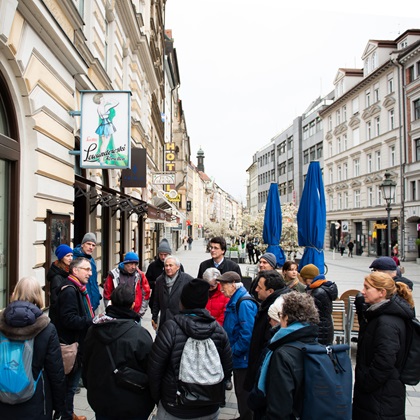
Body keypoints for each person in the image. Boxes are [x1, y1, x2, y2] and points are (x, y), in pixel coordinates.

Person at [148, 279, 233, 420]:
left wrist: (161, 399)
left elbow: (154, 369)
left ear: (182, 302)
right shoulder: (218, 330)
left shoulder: (171, 328)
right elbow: (227, 367)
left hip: (175, 407)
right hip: (209, 408)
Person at [83, 283, 155, 420]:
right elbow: (150, 369)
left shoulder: (94, 328)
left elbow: (86, 361)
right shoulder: (140, 334)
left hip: (101, 400)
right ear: (133, 305)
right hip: (132, 403)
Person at [0, 277, 66, 419]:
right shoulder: (47, 328)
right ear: (38, 295)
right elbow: (56, 371)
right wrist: (60, 406)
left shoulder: (1, 322)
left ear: (14, 293)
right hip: (36, 399)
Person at [352, 272, 415, 419]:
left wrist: (366, 382)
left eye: (367, 288)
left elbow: (385, 361)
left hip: (380, 399)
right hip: (380, 397)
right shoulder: (378, 315)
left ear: (382, 292)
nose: (362, 291)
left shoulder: (386, 322)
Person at [256, 292, 320, 419]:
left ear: (286, 318)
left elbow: (279, 407)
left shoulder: (282, 353)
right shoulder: (316, 345)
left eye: (280, 315)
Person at [54, 257, 95, 420]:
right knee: (70, 386)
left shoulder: (78, 288)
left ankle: (69, 413)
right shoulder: (70, 290)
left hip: (77, 344)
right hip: (72, 346)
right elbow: (69, 320)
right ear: (75, 271)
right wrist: (92, 320)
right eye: (87, 269)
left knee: (70, 386)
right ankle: (67, 416)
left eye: (90, 270)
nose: (90, 273)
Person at [218, 271, 258, 420]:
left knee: (243, 392)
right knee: (240, 392)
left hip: (243, 358)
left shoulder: (243, 303)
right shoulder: (236, 299)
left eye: (223, 286)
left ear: (233, 284)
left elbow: (247, 335)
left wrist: (232, 352)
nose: (221, 289)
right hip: (239, 356)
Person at [244, 270, 289, 393]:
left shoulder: (275, 309)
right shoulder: (269, 303)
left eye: (260, 287)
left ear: (270, 291)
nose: (256, 290)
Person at [103, 251, 150, 318]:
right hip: (117, 314)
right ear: (125, 263)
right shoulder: (113, 275)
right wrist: (110, 312)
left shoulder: (140, 275)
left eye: (135, 264)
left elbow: (146, 294)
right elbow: (107, 294)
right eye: (131, 264)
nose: (133, 267)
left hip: (135, 314)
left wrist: (140, 313)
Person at [151, 255, 193, 331]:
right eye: (166, 265)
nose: (168, 268)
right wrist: (154, 318)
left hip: (180, 322)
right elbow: (156, 301)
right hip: (164, 321)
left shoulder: (187, 280)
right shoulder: (159, 280)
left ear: (178, 267)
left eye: (171, 265)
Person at [300, 264, 338, 345]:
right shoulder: (321, 287)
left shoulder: (318, 292)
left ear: (309, 279)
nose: (303, 282)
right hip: (324, 328)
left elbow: (312, 314)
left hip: (320, 331)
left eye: (304, 279)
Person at [146, 238, 184, 310]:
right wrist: (155, 283)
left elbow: (182, 280)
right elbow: (146, 282)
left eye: (165, 255)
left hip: (175, 302)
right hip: (157, 300)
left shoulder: (178, 265)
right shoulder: (153, 266)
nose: (163, 257)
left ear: (169, 254)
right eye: (161, 254)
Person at [72, 233, 101, 312]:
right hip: (82, 304)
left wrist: (97, 296)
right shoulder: (74, 259)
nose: (91, 247)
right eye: (88, 244)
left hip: (93, 303)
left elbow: (94, 281)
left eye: (93, 245)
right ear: (82, 244)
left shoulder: (92, 260)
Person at [46, 243, 73, 324]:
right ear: (61, 257)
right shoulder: (57, 277)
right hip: (59, 318)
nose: (70, 258)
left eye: (71, 255)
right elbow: (55, 299)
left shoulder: (67, 271)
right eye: (67, 256)